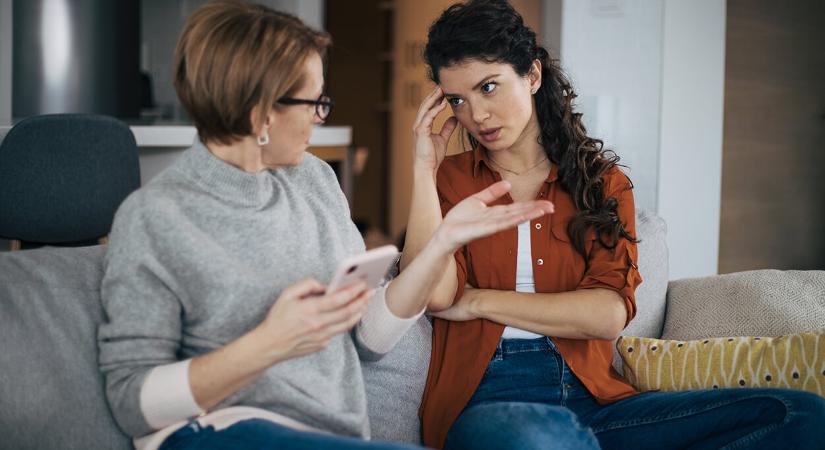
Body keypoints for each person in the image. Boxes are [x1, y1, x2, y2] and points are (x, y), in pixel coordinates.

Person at [96, 2, 554, 450]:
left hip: (332, 434)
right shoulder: (156, 216)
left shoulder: (314, 181)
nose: (322, 116)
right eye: (314, 102)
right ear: (262, 113)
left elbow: (371, 339)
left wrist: (443, 243)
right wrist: (270, 342)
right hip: (218, 429)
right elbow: (132, 401)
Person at [400, 1, 825, 449]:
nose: (477, 115)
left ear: (532, 76)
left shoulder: (601, 183)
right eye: (458, 100)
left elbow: (606, 315)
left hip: (595, 403)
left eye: (489, 87)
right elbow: (432, 294)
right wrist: (423, 171)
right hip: (490, 404)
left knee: (799, 412)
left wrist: (479, 301)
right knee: (531, 439)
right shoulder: (450, 179)